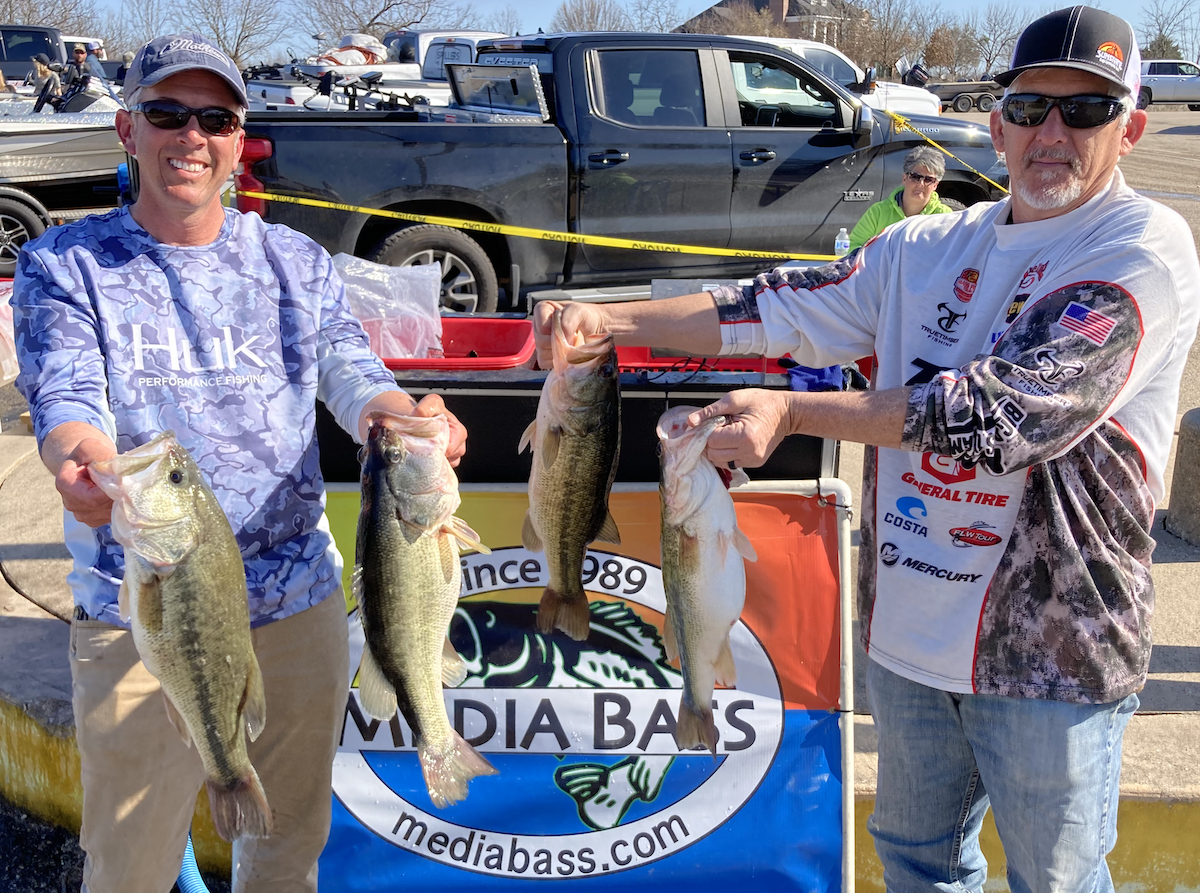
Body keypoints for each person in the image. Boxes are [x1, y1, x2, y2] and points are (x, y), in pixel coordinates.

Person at [532, 6, 1199, 890]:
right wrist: (606, 320)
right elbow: (770, 305)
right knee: (919, 866)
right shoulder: (923, 244)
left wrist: (793, 412)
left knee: (1057, 881)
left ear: (1132, 129)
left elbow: (1003, 415)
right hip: (907, 641)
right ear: (997, 123)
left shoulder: (1143, 246)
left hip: (1054, 662)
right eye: (1031, 106)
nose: (1052, 133)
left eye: (1086, 111)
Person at [11, 32, 466, 893]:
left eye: (214, 119)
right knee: (129, 868)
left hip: (297, 601)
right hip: (144, 611)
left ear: (239, 139)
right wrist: (81, 462)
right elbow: (67, 397)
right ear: (127, 129)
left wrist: (404, 417)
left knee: (286, 851)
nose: (191, 136)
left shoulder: (294, 260)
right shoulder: (63, 264)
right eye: (166, 113)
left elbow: (351, 372)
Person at [847, 144, 953, 250]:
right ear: (904, 178)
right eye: (915, 177)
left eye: (928, 180)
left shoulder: (945, 216)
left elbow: (952, 253)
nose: (921, 184)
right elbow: (853, 247)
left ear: (935, 185)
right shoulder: (878, 212)